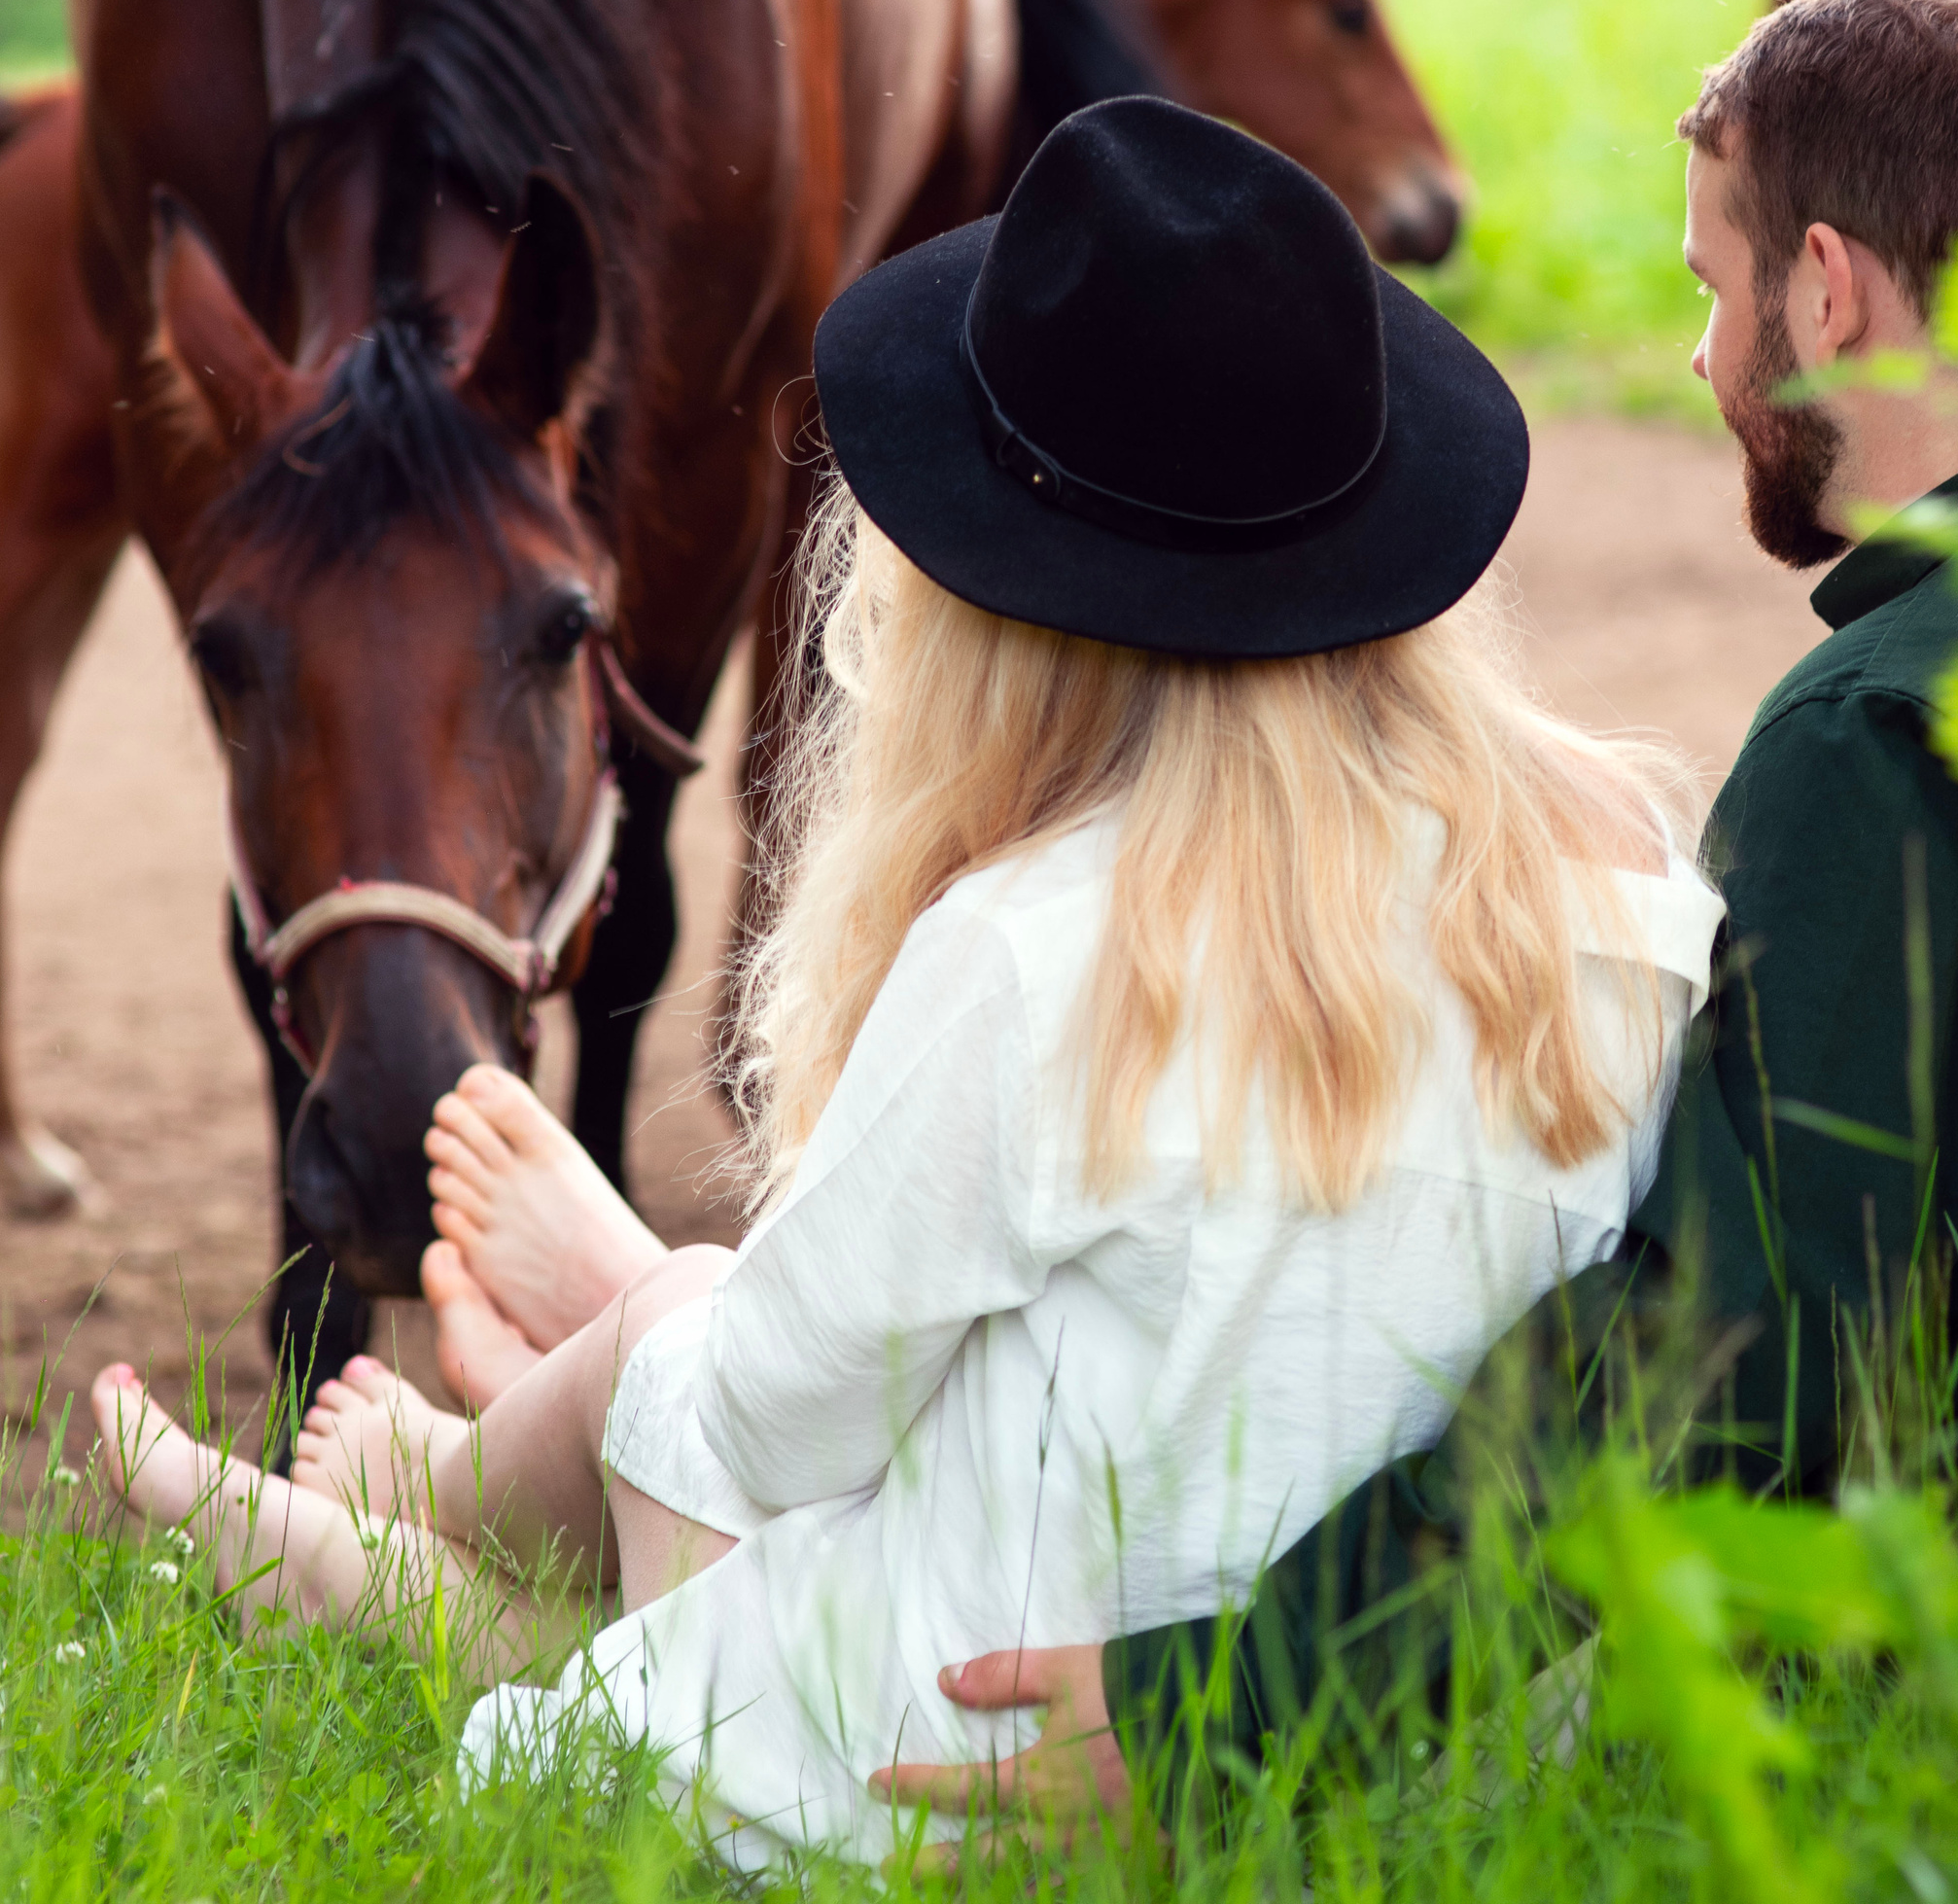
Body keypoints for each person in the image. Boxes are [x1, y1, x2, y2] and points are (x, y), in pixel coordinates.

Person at [87, 97, 1724, 1867]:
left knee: (696, 1479)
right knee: (842, 1396)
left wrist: (656, 1314)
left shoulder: (1042, 951)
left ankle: (397, 1538)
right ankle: (462, 1484)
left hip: (1000, 1760)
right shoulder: (1636, 910)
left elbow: (777, 1429)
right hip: (1422, 1748)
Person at [891, 0, 1958, 1816]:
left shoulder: (1877, 729)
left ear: (1832, 288)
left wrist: (1229, 1707)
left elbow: (1716, 1355)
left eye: (1716, 288)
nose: (1707, 363)